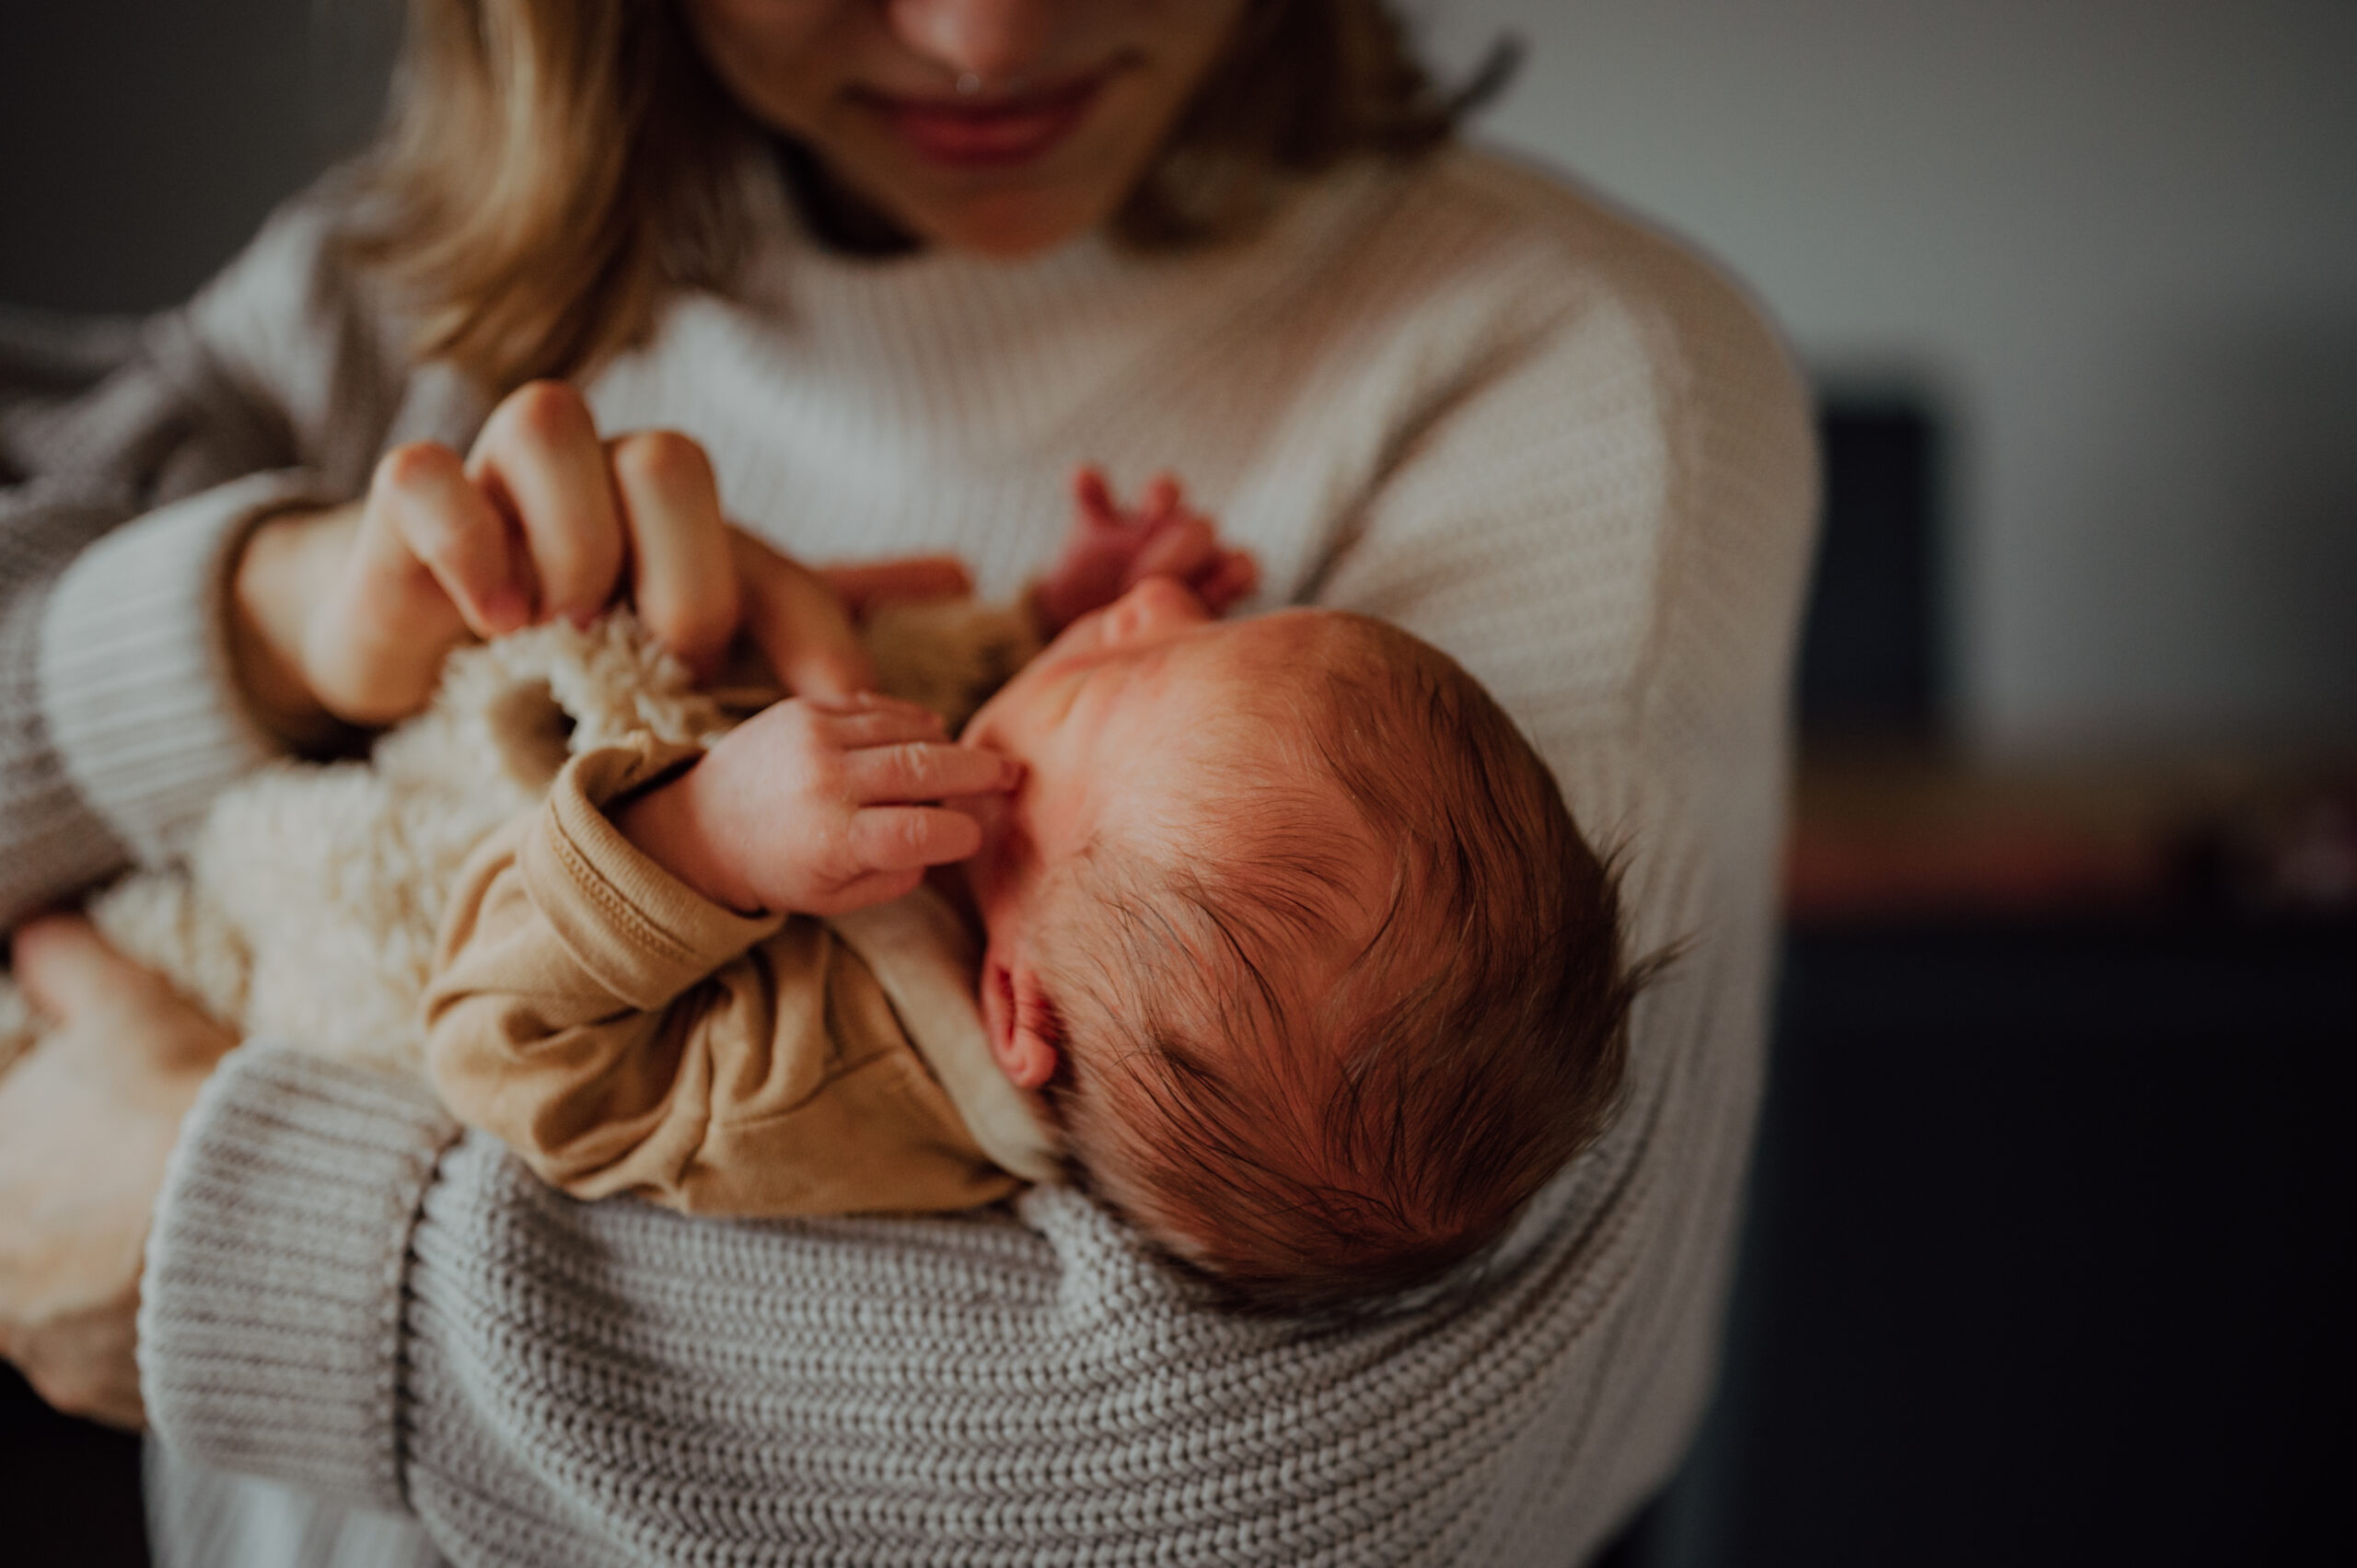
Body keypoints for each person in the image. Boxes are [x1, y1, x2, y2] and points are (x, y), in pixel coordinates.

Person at [0, 1, 1816, 1562]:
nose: (981, 34)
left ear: (1018, 1009)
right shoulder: (376, 286)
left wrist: (239, 1241)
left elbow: (1317, 1484)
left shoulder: (1567, 374)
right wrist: (255, 625)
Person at [427, 528, 1635, 1314]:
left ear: (1018, 1008)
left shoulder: (817, 1086)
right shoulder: (1044, 915)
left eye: (1120, 672)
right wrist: (1044, 628)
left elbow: (499, 1046)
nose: (1156, 595)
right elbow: (994, 762)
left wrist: (704, 837)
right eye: (1199, 633)